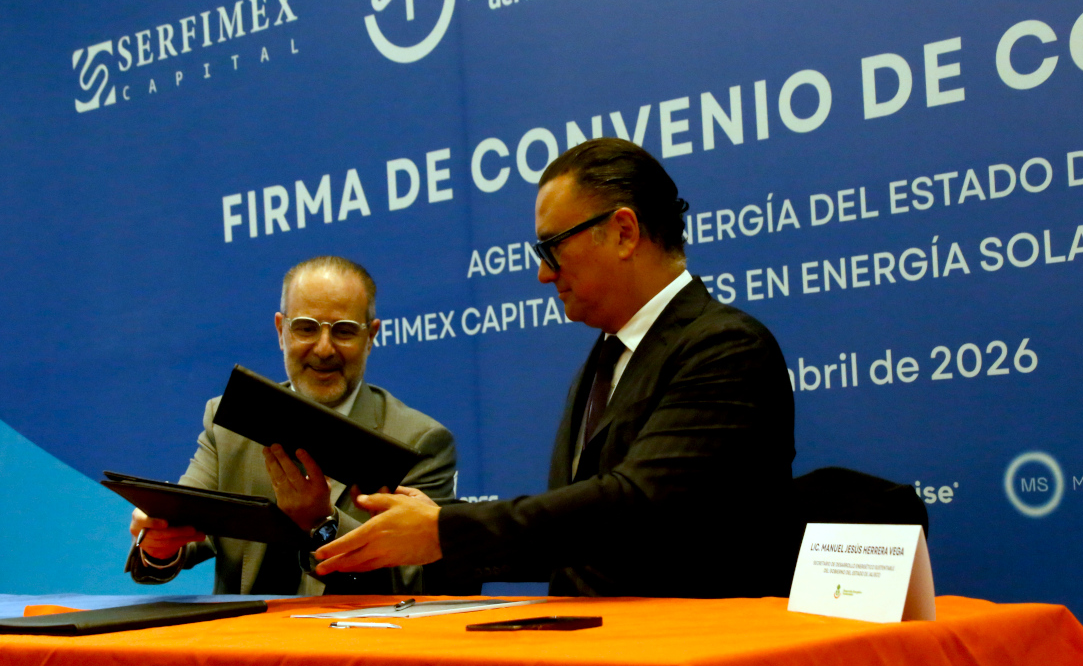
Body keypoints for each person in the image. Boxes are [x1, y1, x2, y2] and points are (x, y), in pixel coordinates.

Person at [313, 139, 797, 598]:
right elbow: (575, 538)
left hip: (692, 649)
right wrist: (434, 529)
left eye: (552, 247)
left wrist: (445, 531)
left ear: (624, 232)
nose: (544, 273)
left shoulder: (726, 348)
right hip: (593, 647)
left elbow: (635, 508)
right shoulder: (607, 357)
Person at [126, 256, 457, 595]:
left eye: (343, 331)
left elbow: (415, 580)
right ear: (281, 331)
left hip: (359, 628)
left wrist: (322, 523)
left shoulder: (419, 441)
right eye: (306, 328)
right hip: (246, 629)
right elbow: (187, 530)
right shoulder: (230, 424)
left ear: (370, 336)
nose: (324, 349)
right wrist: (159, 543)